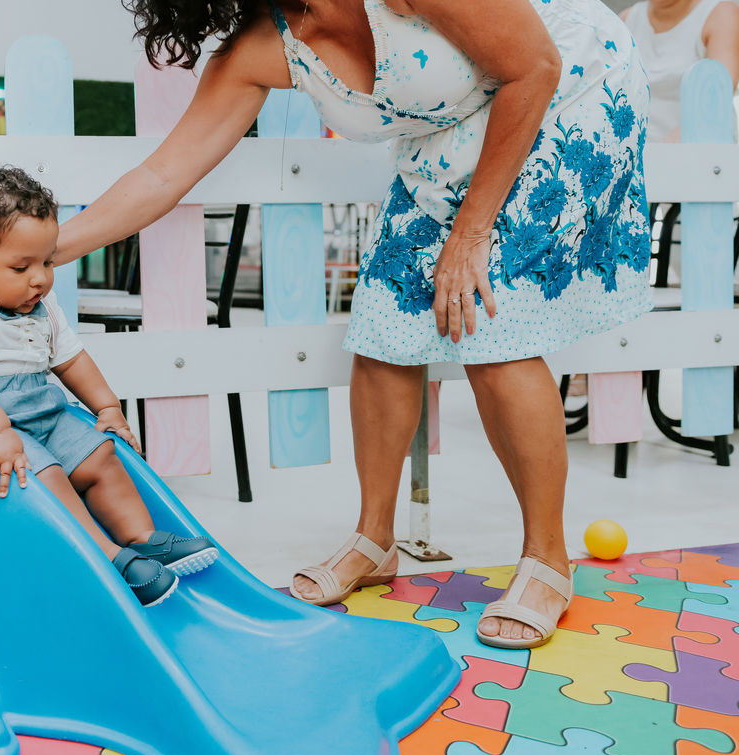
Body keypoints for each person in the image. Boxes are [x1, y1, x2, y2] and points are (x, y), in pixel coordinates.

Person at [52, 0, 652, 648]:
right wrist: (46, 251)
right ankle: (375, 539)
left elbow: (533, 65)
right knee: (383, 327)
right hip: (460, 115)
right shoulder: (260, 49)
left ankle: (548, 559)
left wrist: (471, 231)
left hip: (565, 82)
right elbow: (162, 173)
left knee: (490, 323)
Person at [0, 167, 218, 607]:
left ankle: (141, 538)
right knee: (44, 473)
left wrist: (107, 408)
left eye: (48, 262)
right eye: (21, 267)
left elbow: (71, 359)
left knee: (101, 454)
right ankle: (108, 557)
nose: (40, 278)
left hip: (42, 415)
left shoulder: (40, 304)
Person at [622, 0, 739, 144]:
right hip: (641, 151)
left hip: (701, 148)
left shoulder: (721, 12)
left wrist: (674, 145)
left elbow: (720, 90)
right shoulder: (626, 20)